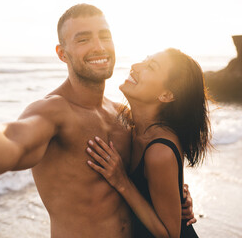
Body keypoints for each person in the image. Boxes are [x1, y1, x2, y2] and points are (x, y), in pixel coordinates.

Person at [0, 4, 195, 238]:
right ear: (62, 53)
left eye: (105, 36)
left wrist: (178, 198)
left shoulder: (125, 116)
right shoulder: (53, 112)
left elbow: (154, 172)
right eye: (83, 40)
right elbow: (8, 142)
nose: (99, 47)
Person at [86, 48, 211, 237]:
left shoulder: (159, 150)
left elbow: (170, 235)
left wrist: (122, 181)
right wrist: (179, 199)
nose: (135, 66)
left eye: (151, 67)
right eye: (144, 61)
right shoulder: (132, 128)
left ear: (166, 95)